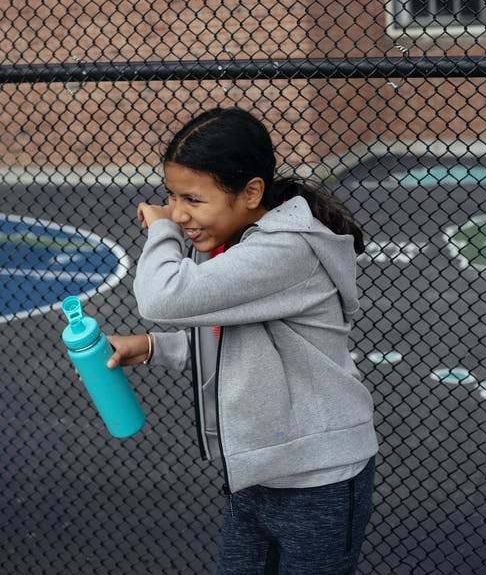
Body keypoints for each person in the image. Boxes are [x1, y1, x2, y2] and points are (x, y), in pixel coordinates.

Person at [107, 106, 378, 575]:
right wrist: (154, 347)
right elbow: (240, 345)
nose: (179, 213)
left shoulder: (286, 250)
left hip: (319, 479)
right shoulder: (242, 241)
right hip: (256, 471)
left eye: (193, 199)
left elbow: (162, 296)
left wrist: (163, 231)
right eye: (171, 197)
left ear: (252, 192)